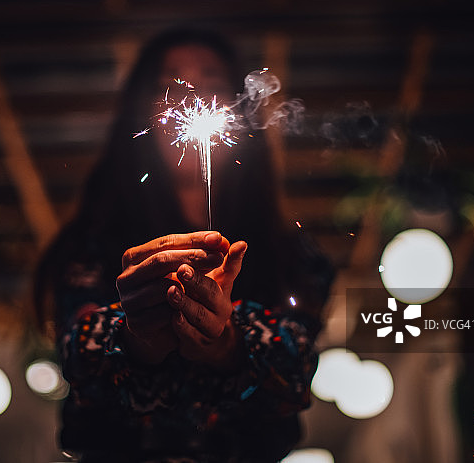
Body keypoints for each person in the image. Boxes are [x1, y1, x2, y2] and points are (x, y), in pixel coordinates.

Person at [35, 29, 334, 463]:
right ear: (142, 112)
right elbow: (80, 359)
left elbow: (295, 370)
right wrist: (138, 334)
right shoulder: (88, 247)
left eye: (211, 84)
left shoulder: (294, 257)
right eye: (168, 86)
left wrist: (227, 341)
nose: (191, 100)